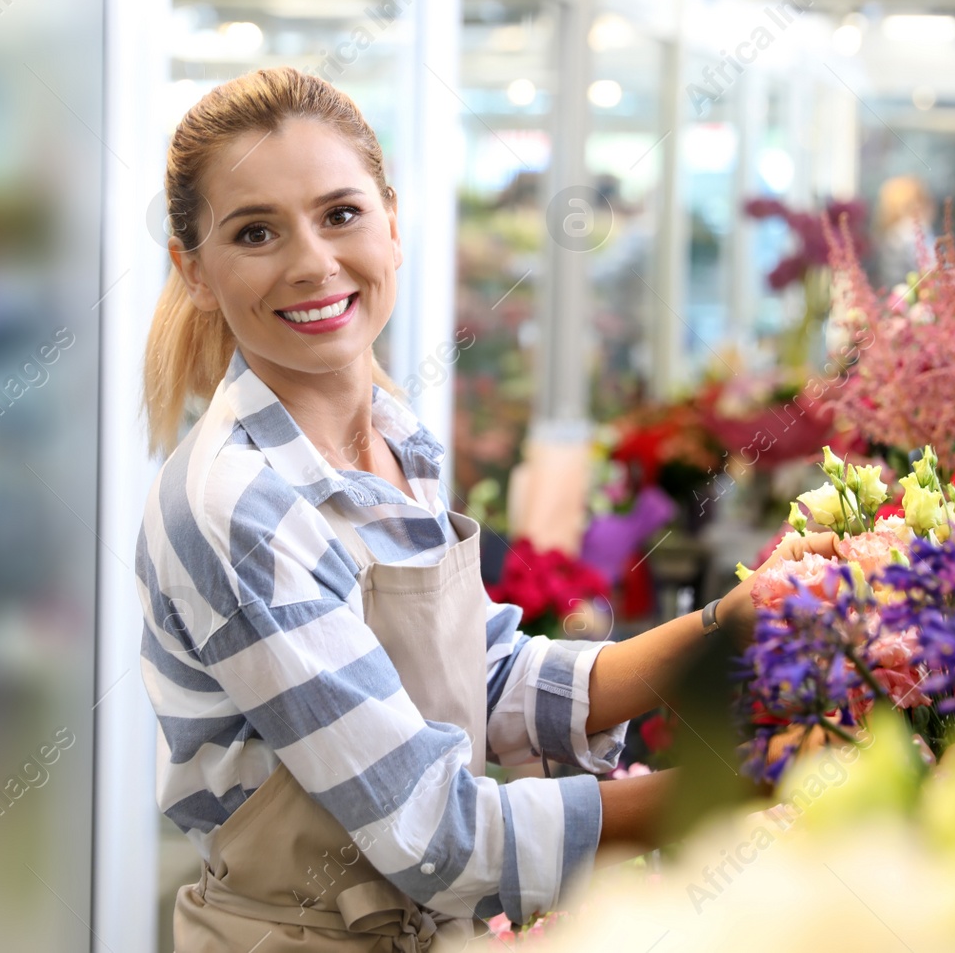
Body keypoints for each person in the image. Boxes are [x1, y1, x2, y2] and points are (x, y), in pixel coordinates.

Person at [135, 66, 834, 951]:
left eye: (340, 213)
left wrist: (731, 625)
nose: (312, 261)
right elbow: (434, 831)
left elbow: (484, 674)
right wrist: (737, 787)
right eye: (256, 231)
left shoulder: (394, 439)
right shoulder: (241, 506)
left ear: (393, 223)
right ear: (193, 270)